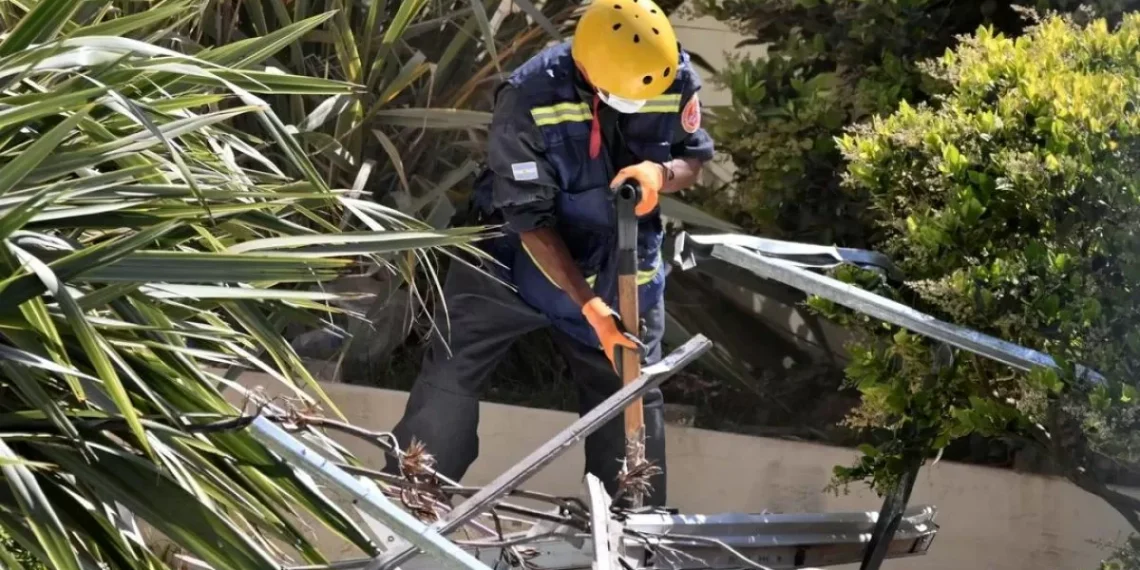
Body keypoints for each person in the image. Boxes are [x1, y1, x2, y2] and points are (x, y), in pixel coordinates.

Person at [383, 0, 715, 507]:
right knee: (449, 379)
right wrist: (590, 310)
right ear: (588, 70)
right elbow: (529, 221)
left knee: (629, 395)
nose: (638, 101)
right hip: (510, 255)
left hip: (620, 256)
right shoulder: (528, 97)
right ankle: (413, 505)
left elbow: (693, 157)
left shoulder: (668, 74)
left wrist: (661, 174)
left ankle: (630, 533)